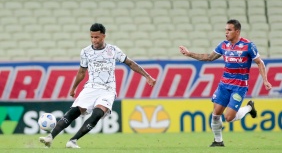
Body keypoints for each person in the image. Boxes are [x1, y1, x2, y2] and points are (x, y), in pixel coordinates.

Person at [39, 23, 156, 148]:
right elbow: (82, 72)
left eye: (97, 37)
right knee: (74, 111)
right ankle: (50, 137)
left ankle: (73, 141)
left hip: (108, 89)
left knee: (97, 114)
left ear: (104, 36)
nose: (94, 40)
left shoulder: (113, 50)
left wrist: (147, 76)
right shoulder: (85, 52)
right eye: (92, 37)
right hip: (91, 87)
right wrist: (74, 88)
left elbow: (131, 64)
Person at [179, 19, 272, 147]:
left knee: (228, 118)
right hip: (224, 85)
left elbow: (259, 62)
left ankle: (249, 107)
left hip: (239, 86)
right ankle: (218, 141)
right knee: (216, 114)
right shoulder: (223, 45)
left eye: (229, 30)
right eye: (225, 30)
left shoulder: (248, 46)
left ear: (237, 31)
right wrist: (189, 54)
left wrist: (265, 80)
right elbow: (209, 57)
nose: (226, 33)